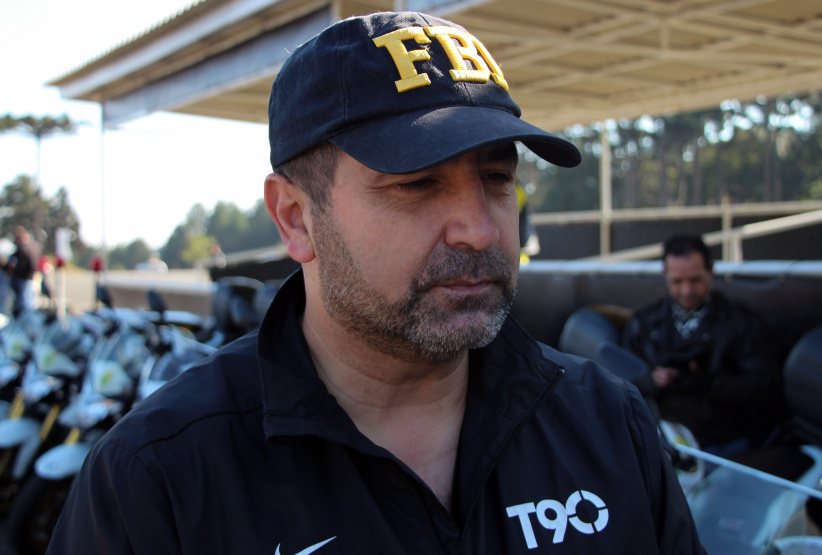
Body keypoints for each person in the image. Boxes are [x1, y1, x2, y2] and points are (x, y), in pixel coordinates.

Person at [49, 12, 704, 554]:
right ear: (295, 217)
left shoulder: (605, 423)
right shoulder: (160, 478)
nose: (478, 228)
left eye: (497, 179)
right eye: (417, 183)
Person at [622, 234, 780, 455]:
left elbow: (765, 383)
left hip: (725, 446)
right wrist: (652, 380)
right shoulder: (645, 322)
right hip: (663, 444)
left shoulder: (740, 322)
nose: (686, 290)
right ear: (664, 273)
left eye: (695, 280)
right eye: (677, 281)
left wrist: (709, 383)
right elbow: (621, 381)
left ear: (711, 271)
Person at [5, 226, 38, 317]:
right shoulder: (21, 250)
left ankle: (25, 319)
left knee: (25, 302)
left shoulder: (26, 250)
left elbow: (30, 265)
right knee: (21, 301)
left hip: (24, 279)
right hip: (23, 279)